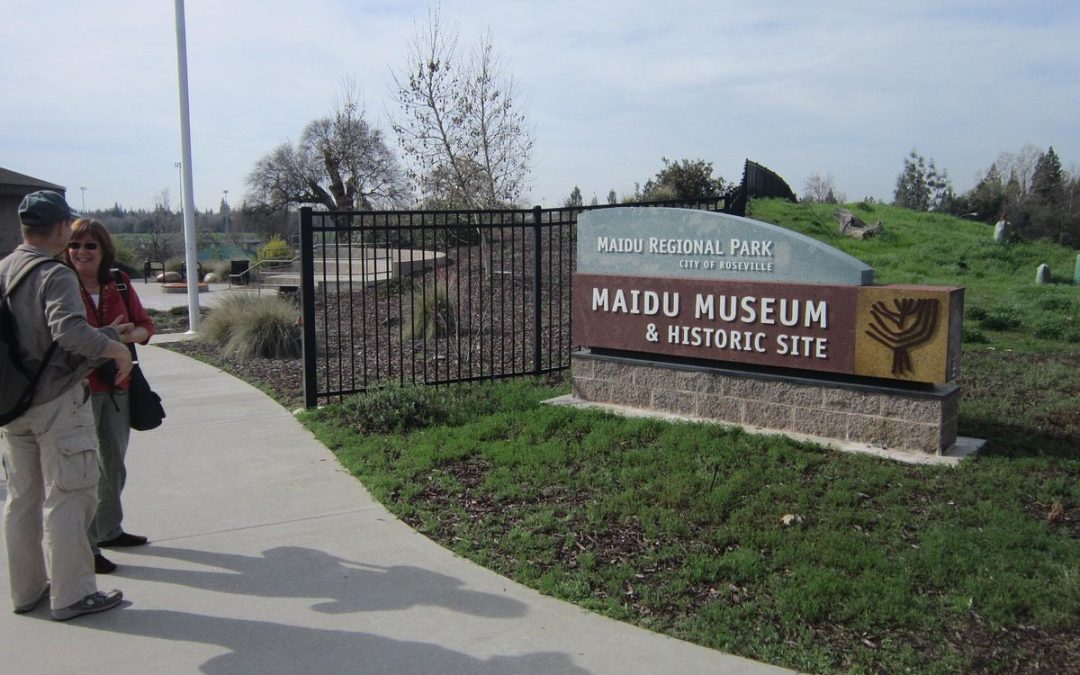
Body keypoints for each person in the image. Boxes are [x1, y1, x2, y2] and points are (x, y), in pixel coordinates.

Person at [0, 190, 129, 620]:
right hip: (55, 402)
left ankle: (27, 590)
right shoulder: (54, 276)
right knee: (70, 496)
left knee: (22, 499)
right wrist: (113, 348)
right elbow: (71, 333)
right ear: (59, 228)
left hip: (13, 406)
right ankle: (73, 594)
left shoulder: (5, 269)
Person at [64, 218, 155, 574]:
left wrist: (122, 338)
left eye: (90, 246)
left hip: (118, 386)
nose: (82, 252)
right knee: (84, 470)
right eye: (75, 245)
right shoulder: (61, 285)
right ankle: (88, 546)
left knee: (113, 463)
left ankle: (108, 529)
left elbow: (146, 327)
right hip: (77, 390)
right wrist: (106, 336)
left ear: (104, 250)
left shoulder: (119, 283)